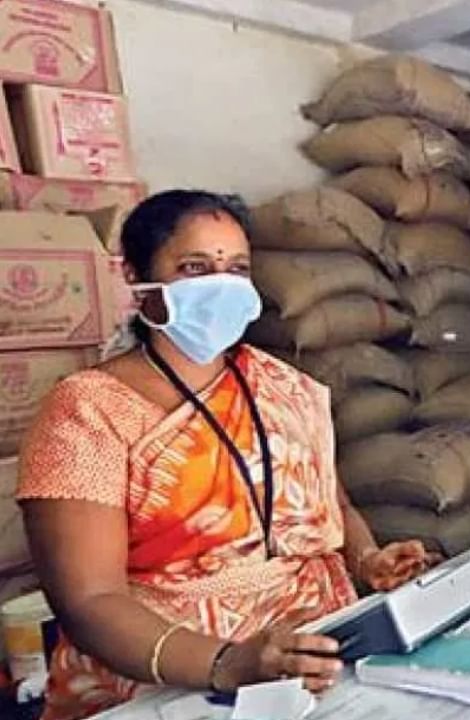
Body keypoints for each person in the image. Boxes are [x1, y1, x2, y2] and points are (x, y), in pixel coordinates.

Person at [17, 190, 440, 720]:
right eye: (195, 267)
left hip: (316, 652)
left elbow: (333, 505)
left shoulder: (285, 387)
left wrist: (367, 560)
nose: (220, 285)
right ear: (137, 279)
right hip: (168, 675)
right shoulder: (87, 412)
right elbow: (89, 601)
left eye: (236, 269)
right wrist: (224, 663)